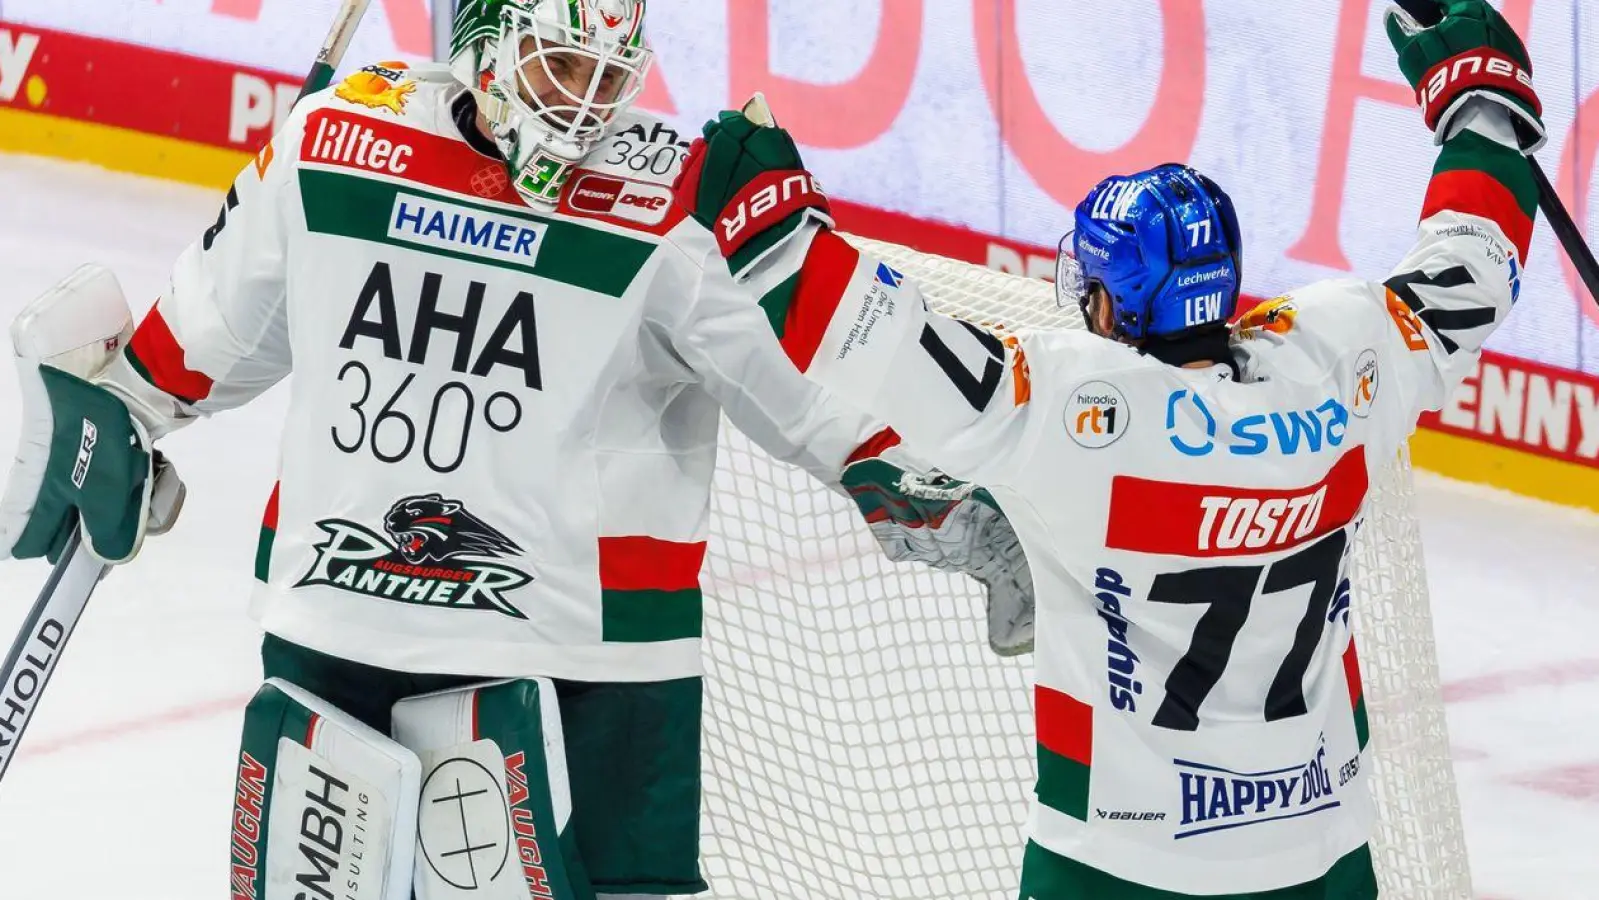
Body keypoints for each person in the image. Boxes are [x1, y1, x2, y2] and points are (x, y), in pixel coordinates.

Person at [0, 1, 1029, 897]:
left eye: (608, 76)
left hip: (584, 667)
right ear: (486, 48)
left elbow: (809, 394)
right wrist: (119, 411)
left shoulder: (672, 201)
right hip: (338, 634)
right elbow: (206, 339)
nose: (586, 105)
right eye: (561, 65)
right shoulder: (332, 141)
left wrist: (936, 497)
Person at [675, 1, 1543, 895]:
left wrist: (765, 213)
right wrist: (1479, 105)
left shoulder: (1069, 410)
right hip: (1320, 852)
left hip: (1118, 862)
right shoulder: (1340, 364)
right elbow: (1470, 271)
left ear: (1112, 304)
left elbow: (865, 333)